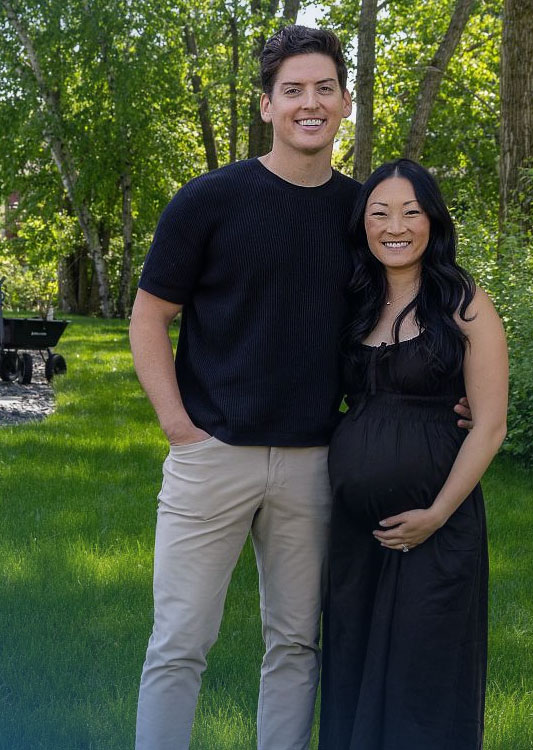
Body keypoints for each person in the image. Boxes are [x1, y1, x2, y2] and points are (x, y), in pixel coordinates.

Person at [129, 25, 361, 750]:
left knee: (295, 646)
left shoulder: (361, 213)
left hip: (314, 460)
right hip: (213, 453)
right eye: (293, 90)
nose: (309, 103)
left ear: (346, 103)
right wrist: (178, 426)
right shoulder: (210, 200)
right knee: (179, 643)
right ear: (267, 105)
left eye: (324, 88)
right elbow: (149, 315)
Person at [319, 159, 508, 749]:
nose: (394, 225)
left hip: (437, 529)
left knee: (423, 681)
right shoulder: (351, 301)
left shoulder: (464, 303)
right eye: (379, 212)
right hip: (356, 532)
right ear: (364, 224)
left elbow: (491, 425)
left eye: (410, 211)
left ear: (432, 220)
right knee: (350, 667)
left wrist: (436, 514)